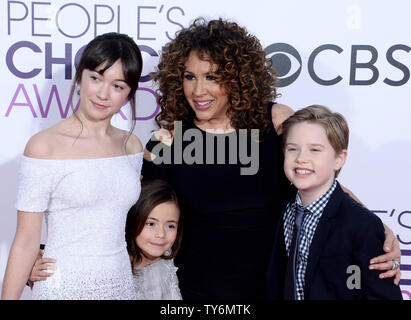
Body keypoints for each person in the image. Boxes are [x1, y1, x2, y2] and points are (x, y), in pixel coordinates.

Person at [141, 18, 401, 300]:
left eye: (212, 77)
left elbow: (321, 186)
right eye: (189, 76)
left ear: (237, 77)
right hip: (193, 291)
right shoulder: (169, 140)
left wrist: (380, 233)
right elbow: (144, 215)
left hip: (271, 290)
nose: (198, 90)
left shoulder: (275, 121)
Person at [1, 32, 144, 300]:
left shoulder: (132, 146)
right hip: (61, 287)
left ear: (129, 93)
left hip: (121, 287)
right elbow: (25, 241)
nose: (103, 94)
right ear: (80, 76)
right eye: (96, 78)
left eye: (118, 85)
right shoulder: (45, 146)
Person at [267, 105, 403, 300]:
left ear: (339, 159)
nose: (301, 158)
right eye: (293, 149)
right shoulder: (283, 209)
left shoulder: (361, 224)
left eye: (315, 150)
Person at [30, 180, 183, 300]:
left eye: (170, 226)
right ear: (132, 221)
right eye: (151, 223)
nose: (161, 234)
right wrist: (31, 268)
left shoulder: (172, 259)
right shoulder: (106, 260)